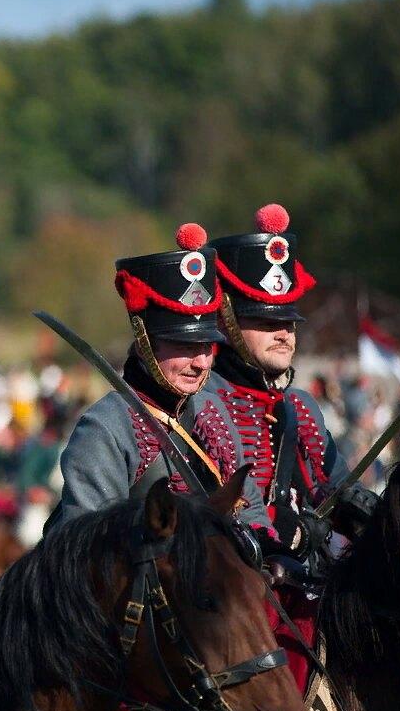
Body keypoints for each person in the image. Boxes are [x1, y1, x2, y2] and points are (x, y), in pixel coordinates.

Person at [194, 204, 373, 700]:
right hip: (237, 621)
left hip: (310, 607)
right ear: (226, 320)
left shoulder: (299, 405)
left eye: (289, 320)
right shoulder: (203, 405)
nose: (284, 332)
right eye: (263, 318)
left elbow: (333, 487)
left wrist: (360, 512)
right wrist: (282, 541)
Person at [45, 223, 270, 533]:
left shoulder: (215, 410)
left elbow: (252, 511)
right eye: (186, 347)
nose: (202, 362)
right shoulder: (104, 428)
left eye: (207, 347)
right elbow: (85, 548)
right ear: (144, 343)